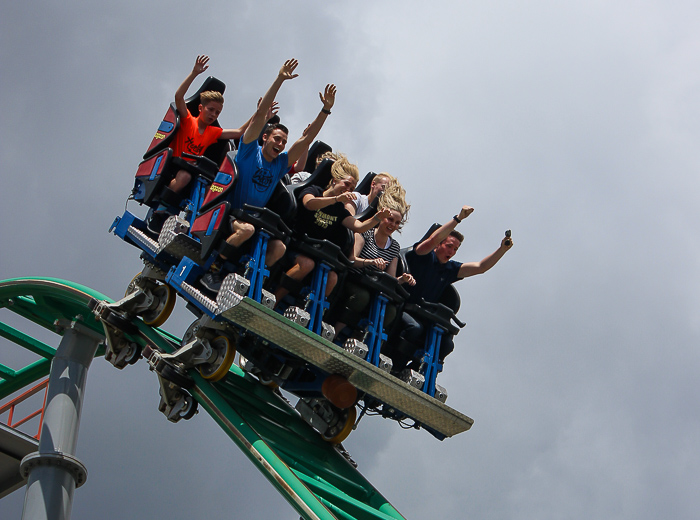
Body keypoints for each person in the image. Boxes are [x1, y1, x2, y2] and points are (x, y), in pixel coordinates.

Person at [201, 58, 337, 293]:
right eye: (277, 138)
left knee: (279, 248)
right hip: (231, 213)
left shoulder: (280, 164)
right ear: (265, 138)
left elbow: (306, 139)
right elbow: (260, 114)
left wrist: (325, 111)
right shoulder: (247, 152)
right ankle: (214, 268)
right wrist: (280, 80)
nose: (282, 143)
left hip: (257, 220)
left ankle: (245, 278)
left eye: (284, 141)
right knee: (247, 230)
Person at [385, 205, 514, 371]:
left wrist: (502, 249)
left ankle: (415, 372)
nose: (452, 251)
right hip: (403, 307)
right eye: (449, 246)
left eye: (455, 249)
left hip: (425, 315)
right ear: (439, 244)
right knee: (414, 329)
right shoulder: (423, 255)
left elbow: (480, 267)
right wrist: (458, 218)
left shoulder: (450, 269)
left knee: (445, 344)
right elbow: (431, 241)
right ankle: (394, 366)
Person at [148, 55, 263, 234]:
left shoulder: (213, 132)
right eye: (210, 110)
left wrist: (259, 113)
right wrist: (194, 73)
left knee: (212, 189)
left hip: (196, 171)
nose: (213, 115)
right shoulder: (189, 120)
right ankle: (159, 211)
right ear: (201, 108)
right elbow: (179, 96)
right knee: (185, 176)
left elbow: (240, 132)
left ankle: (194, 224)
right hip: (176, 166)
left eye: (217, 112)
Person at [273, 155, 392, 305]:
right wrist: (336, 199)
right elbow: (309, 203)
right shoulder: (315, 190)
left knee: (332, 277)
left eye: (352, 188)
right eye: (346, 184)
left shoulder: (339, 210)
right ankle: (275, 299)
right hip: (298, 245)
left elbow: (358, 226)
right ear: (335, 180)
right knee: (307, 264)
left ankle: (306, 312)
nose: (348, 190)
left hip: (318, 252)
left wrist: (376, 218)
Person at [333, 180, 415, 337]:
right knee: (362, 297)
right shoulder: (366, 232)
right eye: (390, 220)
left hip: (375, 287)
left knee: (389, 310)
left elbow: (390, 281)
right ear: (382, 217)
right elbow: (352, 259)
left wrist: (403, 280)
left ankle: (359, 339)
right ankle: (335, 332)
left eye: (397, 223)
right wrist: (370, 262)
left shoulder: (394, 247)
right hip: (356, 279)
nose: (392, 225)